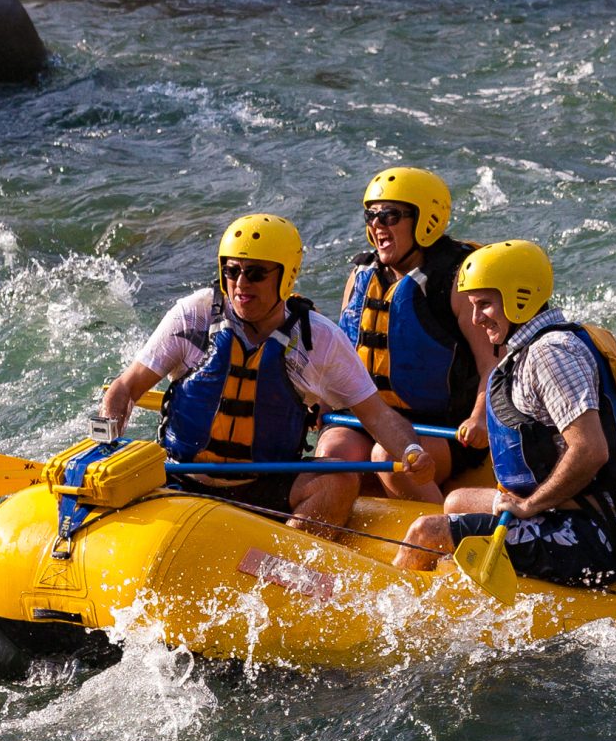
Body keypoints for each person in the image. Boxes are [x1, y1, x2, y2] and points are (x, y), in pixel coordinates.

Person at [97, 213, 424, 534]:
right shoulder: (194, 315)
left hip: (264, 484)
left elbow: (377, 416)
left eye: (255, 273)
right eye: (232, 271)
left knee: (338, 480)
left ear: (286, 276)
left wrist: (412, 451)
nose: (241, 284)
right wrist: (104, 445)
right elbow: (125, 389)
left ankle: (282, 566)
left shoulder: (317, 339)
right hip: (180, 477)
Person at [396, 241, 616, 590]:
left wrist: (530, 505)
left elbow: (590, 449)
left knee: (426, 532)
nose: (477, 318)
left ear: (519, 297)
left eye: (484, 305)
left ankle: (401, 618)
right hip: (576, 514)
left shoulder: (551, 354)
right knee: (457, 501)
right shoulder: (530, 349)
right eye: (472, 306)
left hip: (595, 535)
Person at [312, 167, 494, 502]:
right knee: (333, 453)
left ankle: (442, 536)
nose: (377, 225)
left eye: (390, 216)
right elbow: (341, 359)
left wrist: (479, 419)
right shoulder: (361, 277)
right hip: (369, 419)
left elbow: (491, 366)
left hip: (441, 431)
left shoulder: (455, 282)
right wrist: (319, 404)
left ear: (425, 220)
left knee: (389, 455)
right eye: (372, 215)